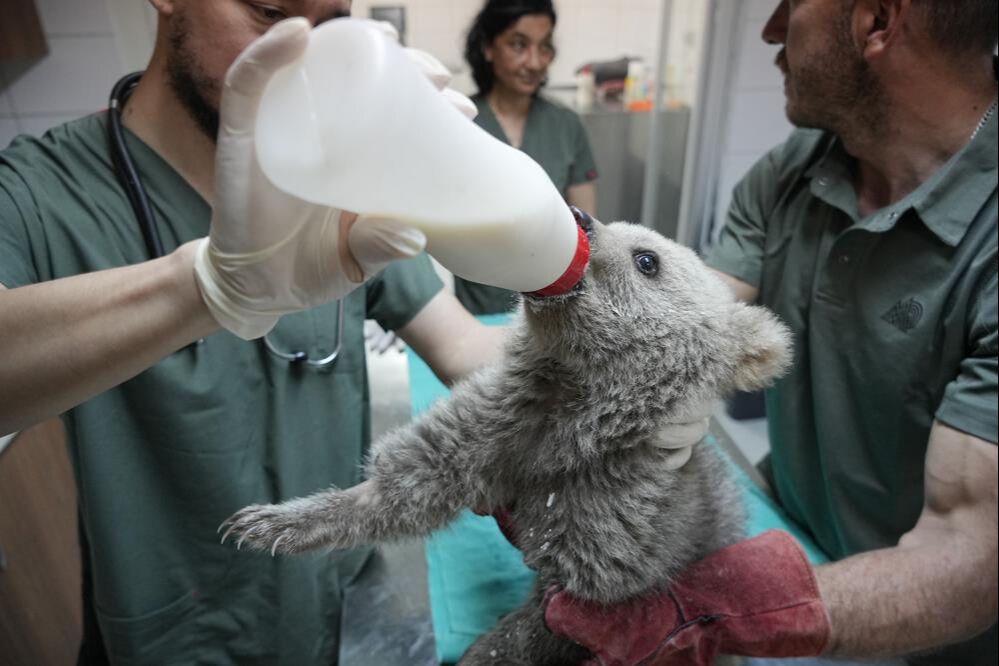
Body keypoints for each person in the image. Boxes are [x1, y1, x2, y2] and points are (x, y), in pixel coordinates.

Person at [0, 3, 510, 664]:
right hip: (173, 635)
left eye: (326, 23)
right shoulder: (41, 193)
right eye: (270, 12)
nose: (300, 57)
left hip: (320, 608)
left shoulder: (338, 178)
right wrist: (204, 288)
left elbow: (463, 347)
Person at [543, 1, 997, 665]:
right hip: (790, 537)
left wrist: (703, 613)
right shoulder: (797, 167)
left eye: (789, 5)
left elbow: (967, 549)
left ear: (876, 20)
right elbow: (673, 330)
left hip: (926, 637)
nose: (769, 29)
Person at [455, 0, 599, 315]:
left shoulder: (566, 126)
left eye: (544, 47)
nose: (534, 62)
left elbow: (587, 232)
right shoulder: (458, 121)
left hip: (554, 308)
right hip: (478, 306)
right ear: (488, 47)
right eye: (518, 45)